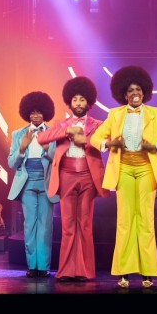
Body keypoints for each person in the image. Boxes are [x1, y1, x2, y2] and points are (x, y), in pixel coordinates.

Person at [89, 65, 157, 288]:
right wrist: (110, 143)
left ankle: (148, 272)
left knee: (145, 220)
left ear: (144, 92)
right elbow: (95, 138)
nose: (135, 93)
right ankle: (123, 272)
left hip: (146, 169)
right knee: (124, 221)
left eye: (138, 89)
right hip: (123, 169)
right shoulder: (115, 114)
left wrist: (156, 147)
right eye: (130, 90)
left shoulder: (156, 114)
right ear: (124, 94)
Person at [36, 76, 109, 282]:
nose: (78, 103)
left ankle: (84, 271)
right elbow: (41, 138)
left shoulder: (98, 124)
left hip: (88, 176)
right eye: (75, 99)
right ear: (69, 102)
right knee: (68, 225)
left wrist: (85, 140)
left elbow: (108, 143)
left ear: (89, 102)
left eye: (82, 99)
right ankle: (66, 271)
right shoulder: (61, 124)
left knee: (84, 224)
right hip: (66, 175)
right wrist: (67, 130)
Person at [7, 91, 58, 278]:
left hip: (46, 181)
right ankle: (32, 266)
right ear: (27, 113)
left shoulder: (53, 133)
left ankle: (43, 267)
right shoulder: (18, 134)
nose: (36, 116)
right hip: (27, 181)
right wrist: (22, 147)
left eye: (39, 112)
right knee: (29, 225)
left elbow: (57, 160)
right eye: (32, 112)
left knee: (45, 226)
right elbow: (11, 163)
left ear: (46, 113)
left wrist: (47, 149)